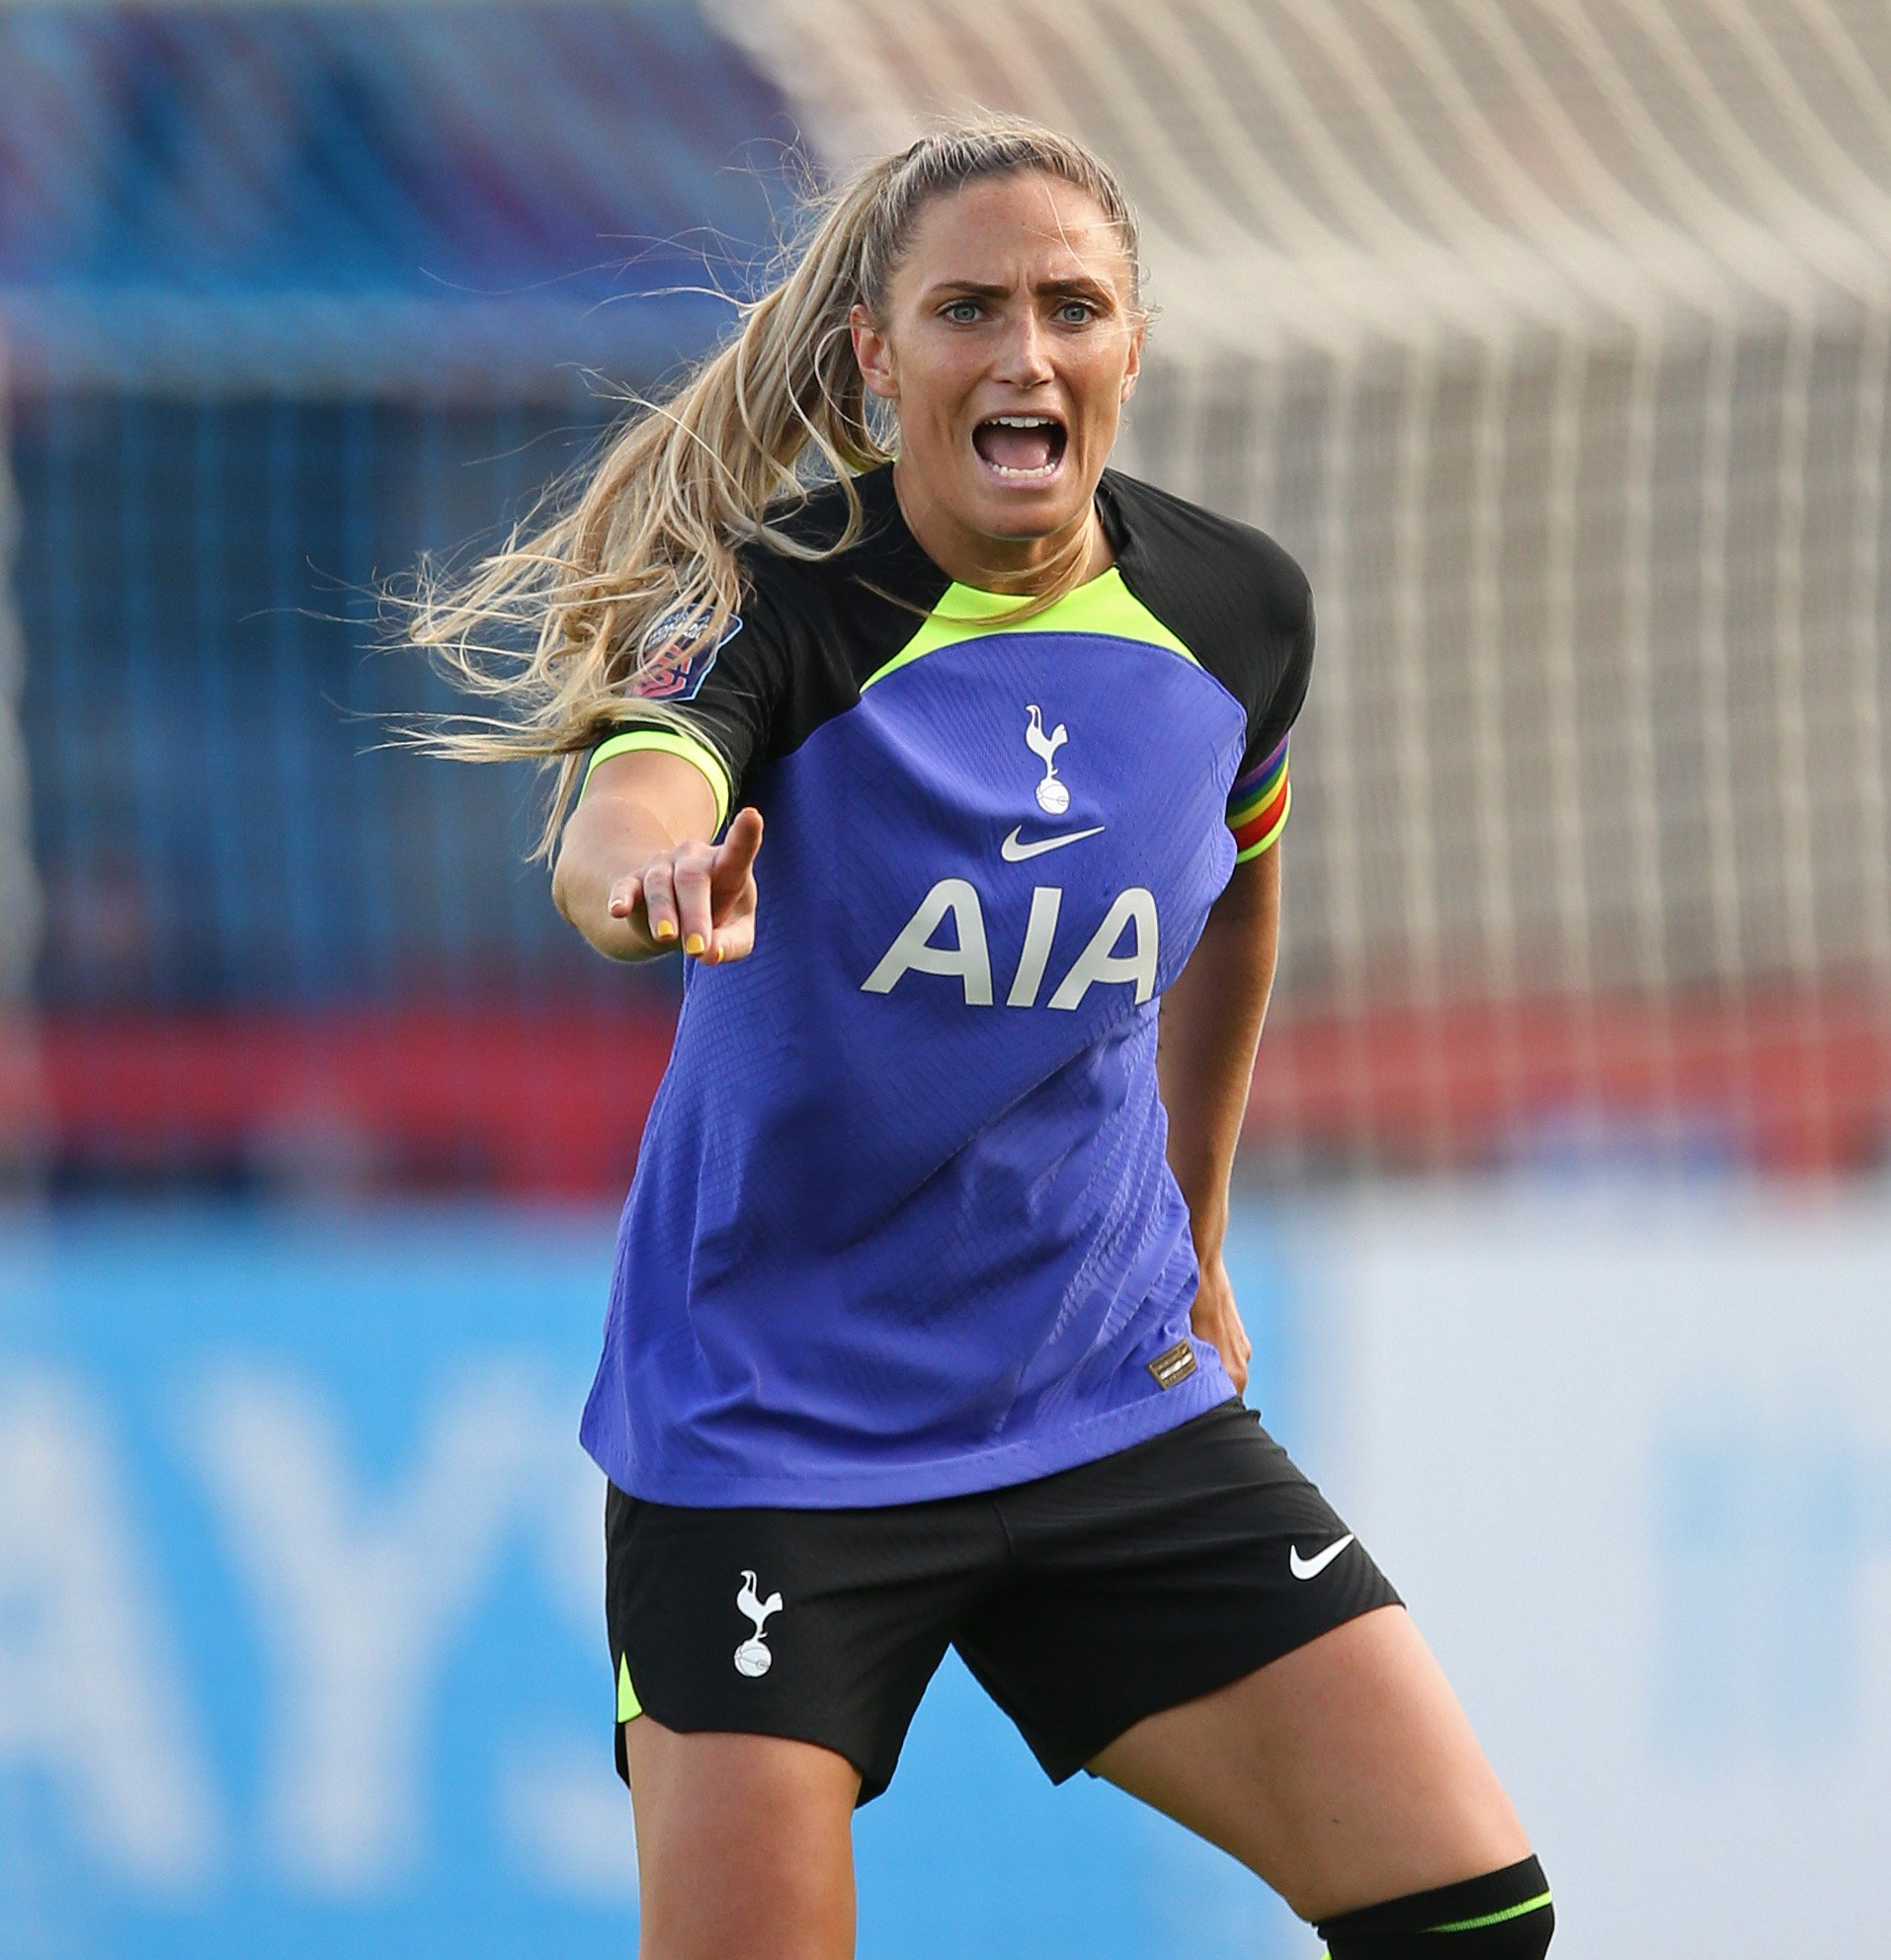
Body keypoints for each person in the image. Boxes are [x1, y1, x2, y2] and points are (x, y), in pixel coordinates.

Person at [410, 115, 1551, 1960]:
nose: (1024, 352)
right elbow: (626, 806)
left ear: (1130, 345)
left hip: (1100, 1398)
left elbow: (1241, 892)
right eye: (968, 311)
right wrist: (648, 880)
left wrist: (1197, 1216)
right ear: (878, 359)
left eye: (1070, 307)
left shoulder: (1234, 614)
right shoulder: (769, 598)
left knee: (1473, 1918)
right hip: (770, 1436)